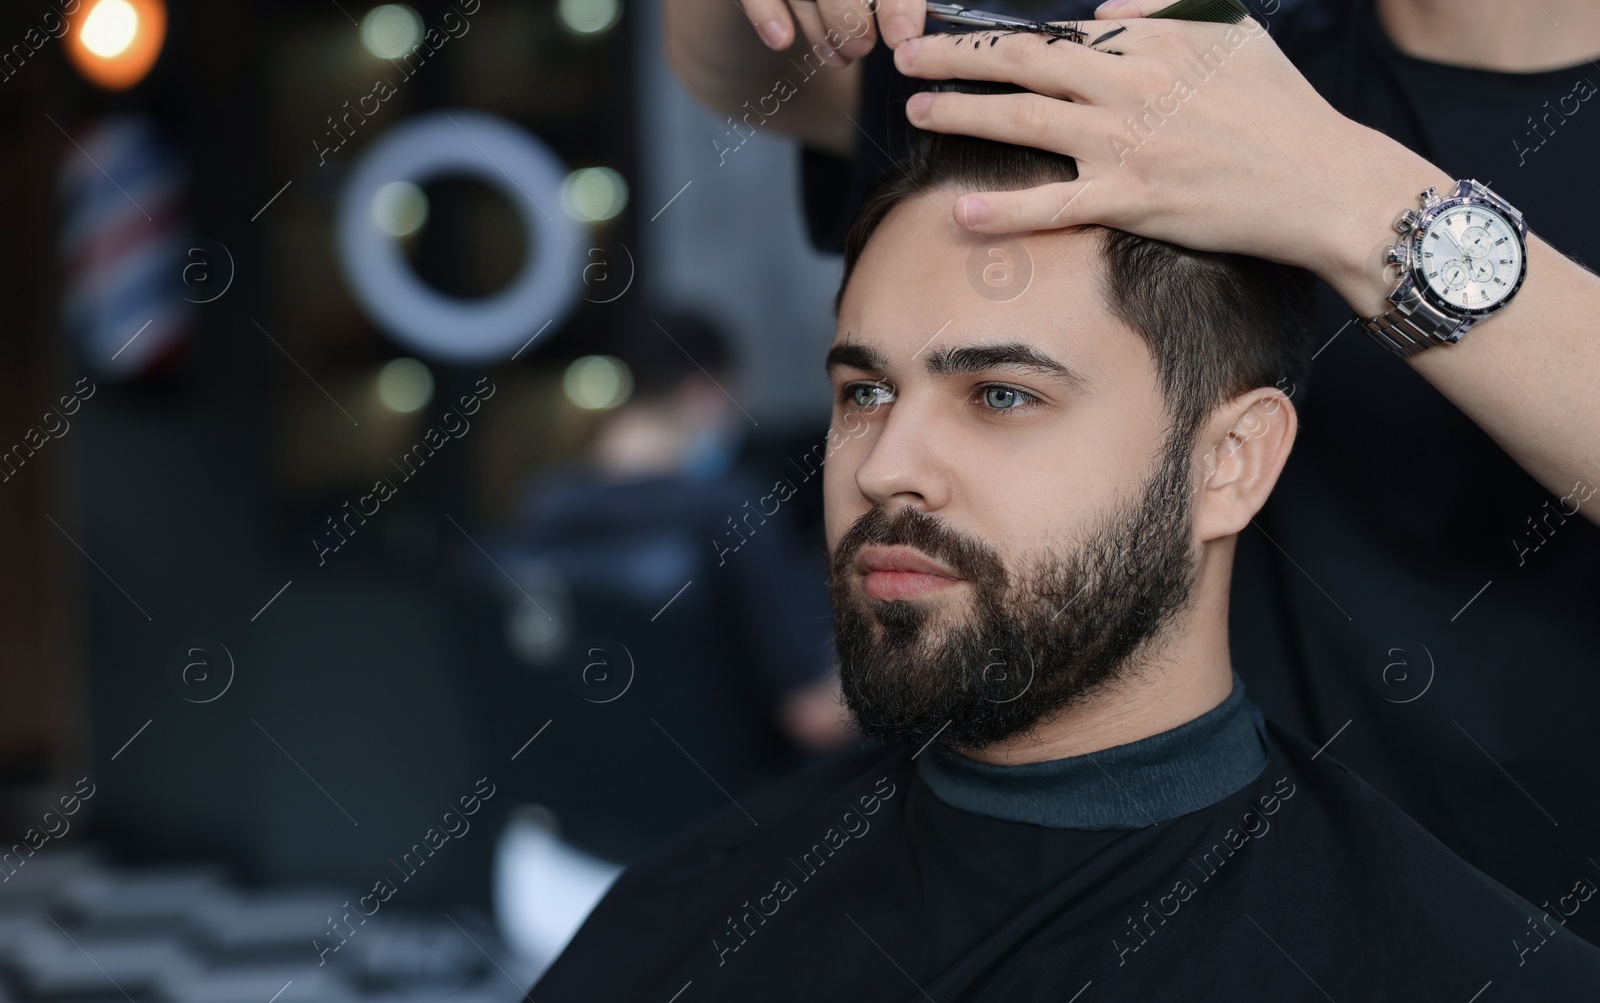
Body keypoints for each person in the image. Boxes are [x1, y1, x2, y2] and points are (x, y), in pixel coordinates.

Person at [523, 86, 1600, 1001]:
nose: (883, 463)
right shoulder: (674, 923)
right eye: (864, 389)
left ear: (1229, 460)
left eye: (998, 392)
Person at [455, 307, 853, 974]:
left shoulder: (543, 511)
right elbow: (814, 717)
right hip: (713, 883)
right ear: (706, 393)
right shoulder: (729, 513)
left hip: (552, 866)